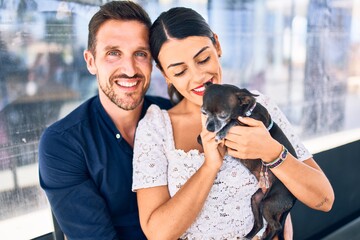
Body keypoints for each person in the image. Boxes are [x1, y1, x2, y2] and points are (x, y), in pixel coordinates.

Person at [132, 7, 334, 240]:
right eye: (180, 71)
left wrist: (272, 152)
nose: (198, 76)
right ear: (164, 73)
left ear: (217, 45)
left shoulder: (257, 106)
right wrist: (209, 166)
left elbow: (324, 199)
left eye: (204, 59)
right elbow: (158, 233)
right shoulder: (156, 127)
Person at [38, 1, 172, 239]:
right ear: (91, 61)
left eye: (140, 54)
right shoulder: (64, 143)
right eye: (113, 53)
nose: (129, 69)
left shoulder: (173, 115)